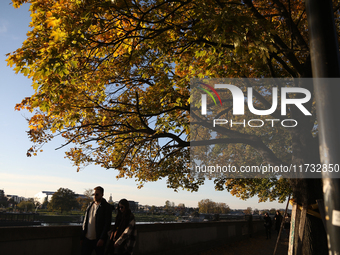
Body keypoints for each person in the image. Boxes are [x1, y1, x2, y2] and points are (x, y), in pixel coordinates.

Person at [81, 186, 112, 255]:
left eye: (97, 194)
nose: (95, 196)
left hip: (98, 239)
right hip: (87, 238)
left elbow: (107, 224)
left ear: (102, 194)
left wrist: (102, 238)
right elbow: (85, 221)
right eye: (94, 194)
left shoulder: (106, 207)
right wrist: (82, 236)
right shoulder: (90, 205)